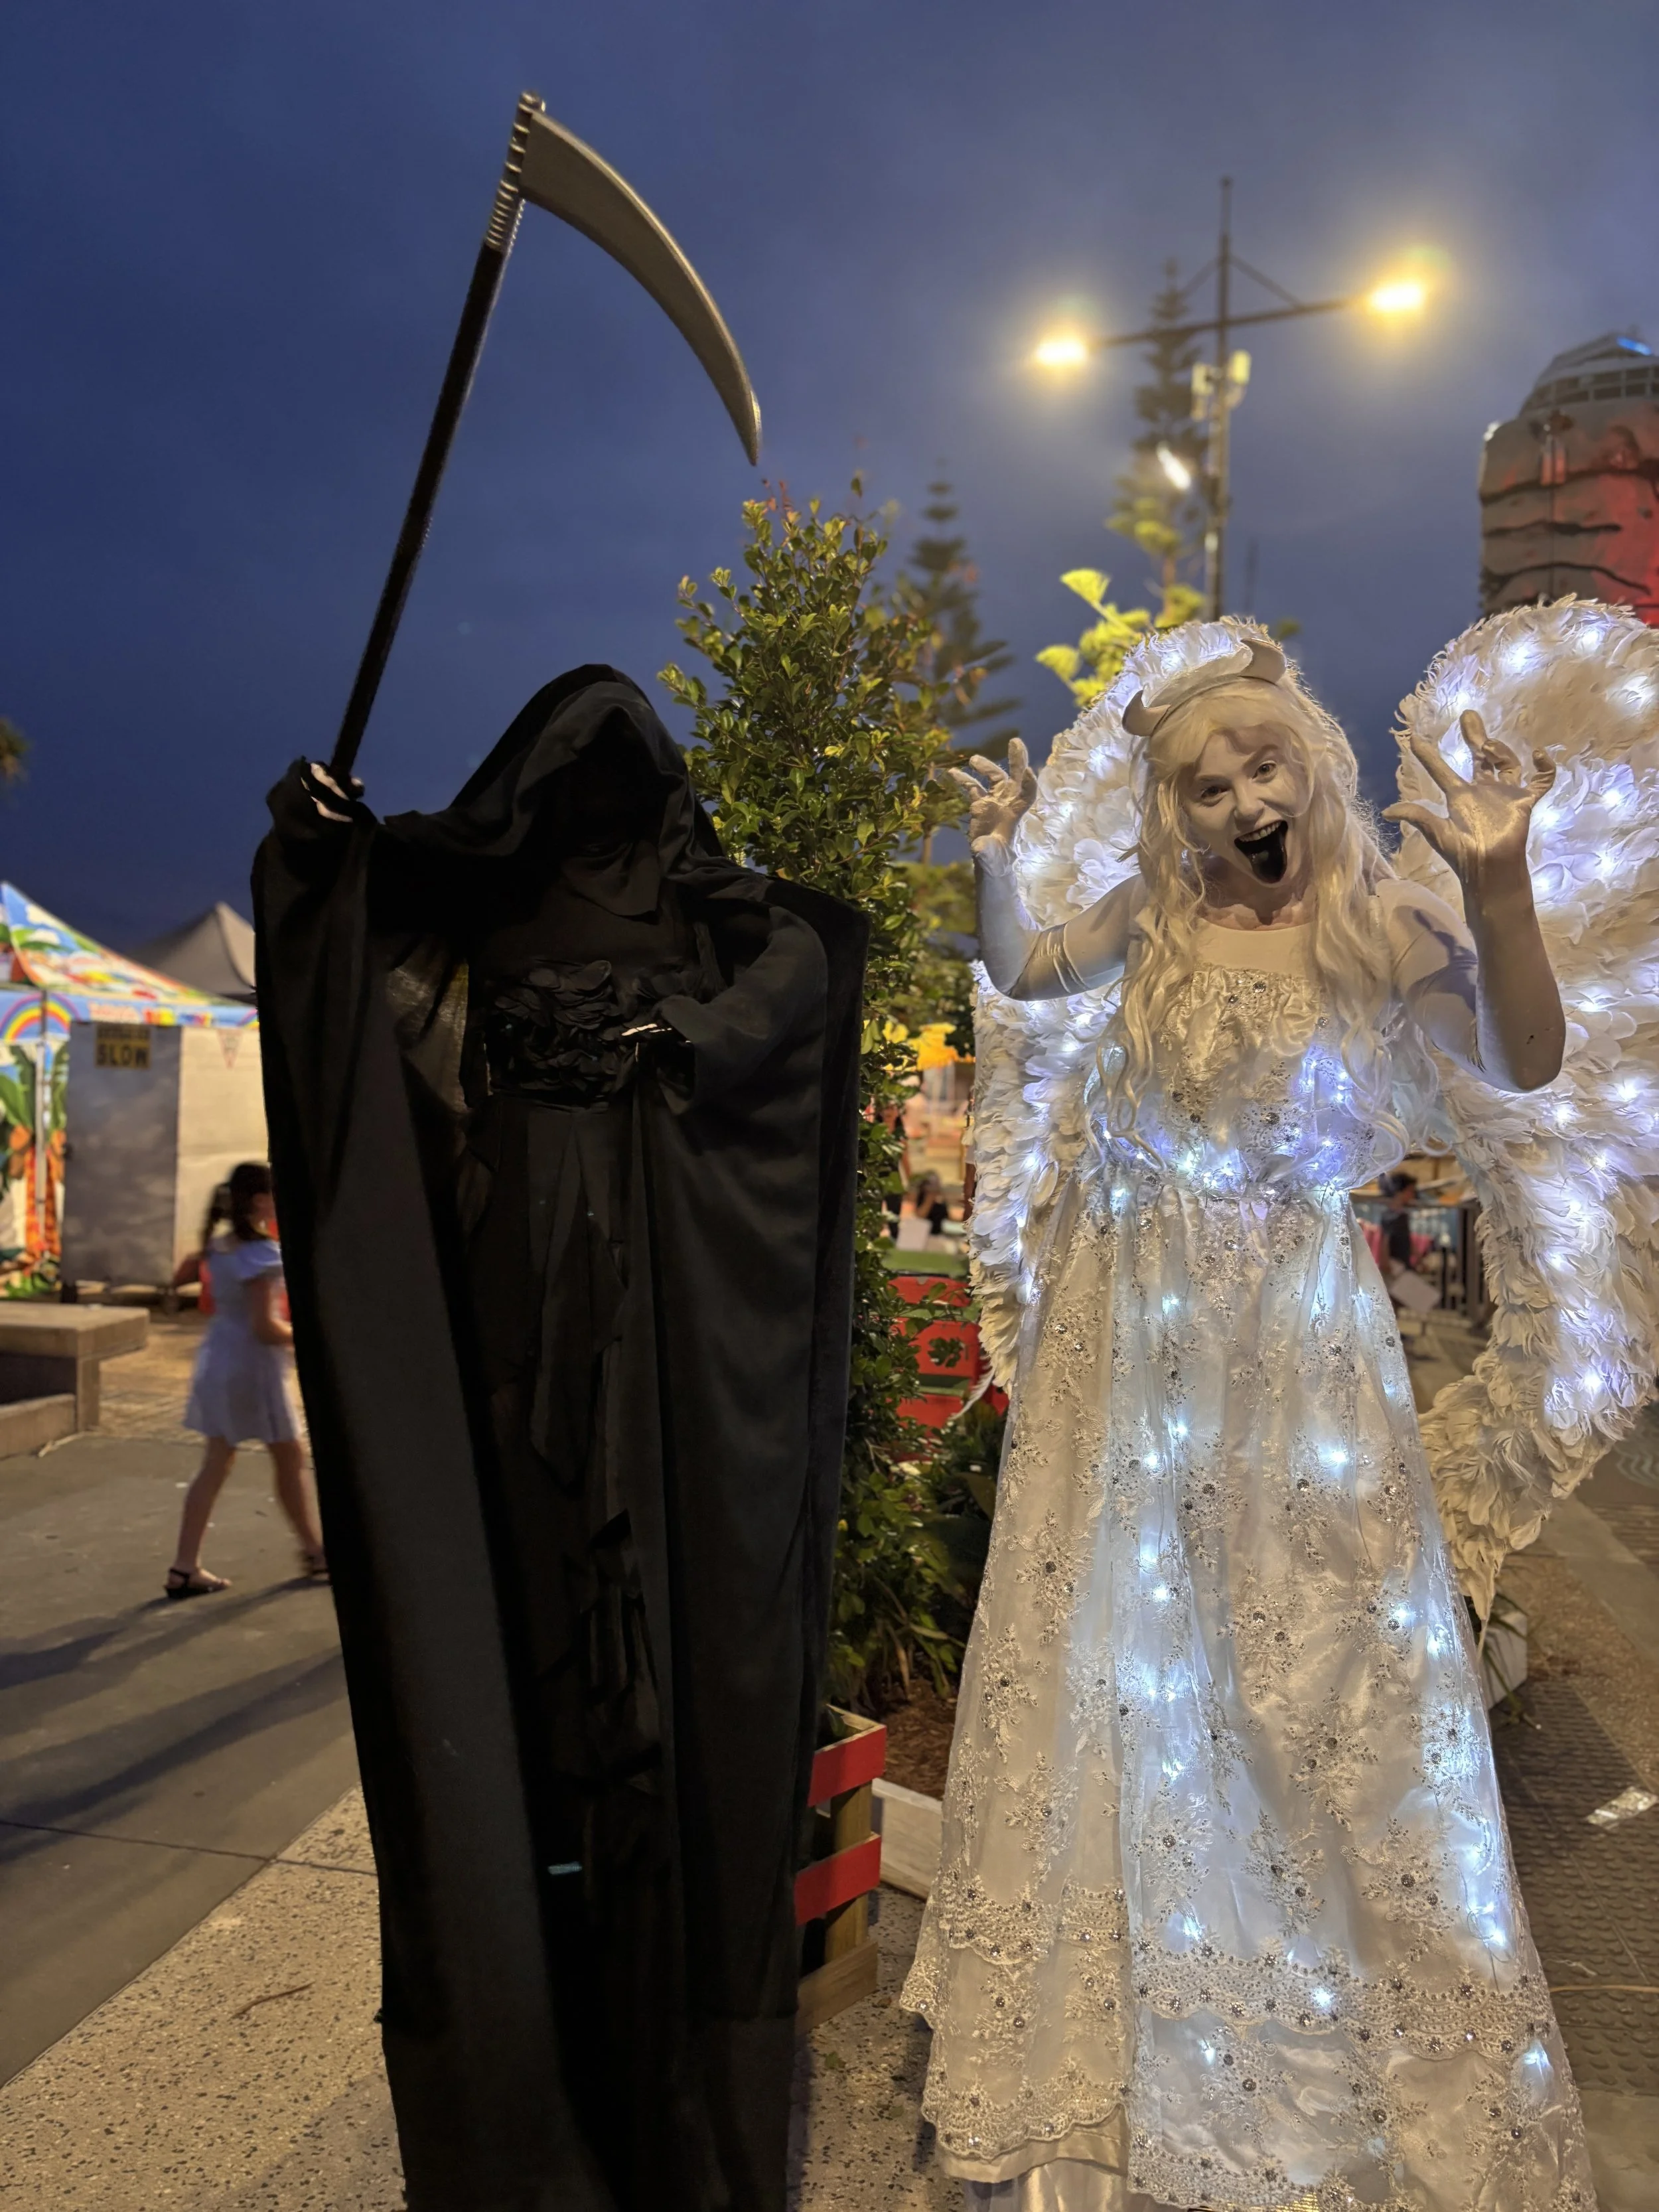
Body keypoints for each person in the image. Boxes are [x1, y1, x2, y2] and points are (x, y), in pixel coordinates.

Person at [903, 632, 1595, 2210]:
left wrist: (1499, 885)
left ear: (1312, 763)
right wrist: (1000, 864)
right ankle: (1129, 2034)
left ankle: (1320, 2050)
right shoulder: (1152, 917)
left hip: (1292, 1348)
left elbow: (1528, 1057)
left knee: (1315, 1677)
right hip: (1122, 1333)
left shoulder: (1378, 917)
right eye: (1207, 786)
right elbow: (1021, 969)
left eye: (1262, 766)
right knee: (1127, 1676)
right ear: (1176, 810)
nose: (1242, 800)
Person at [166, 1160, 326, 1597]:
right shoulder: (262, 1255)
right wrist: (311, 1336)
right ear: (260, 1200)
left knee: (221, 1461)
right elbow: (265, 1327)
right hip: (253, 1368)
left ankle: (184, 1565)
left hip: (221, 1359)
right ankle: (314, 1551)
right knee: (289, 1457)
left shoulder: (221, 1247)